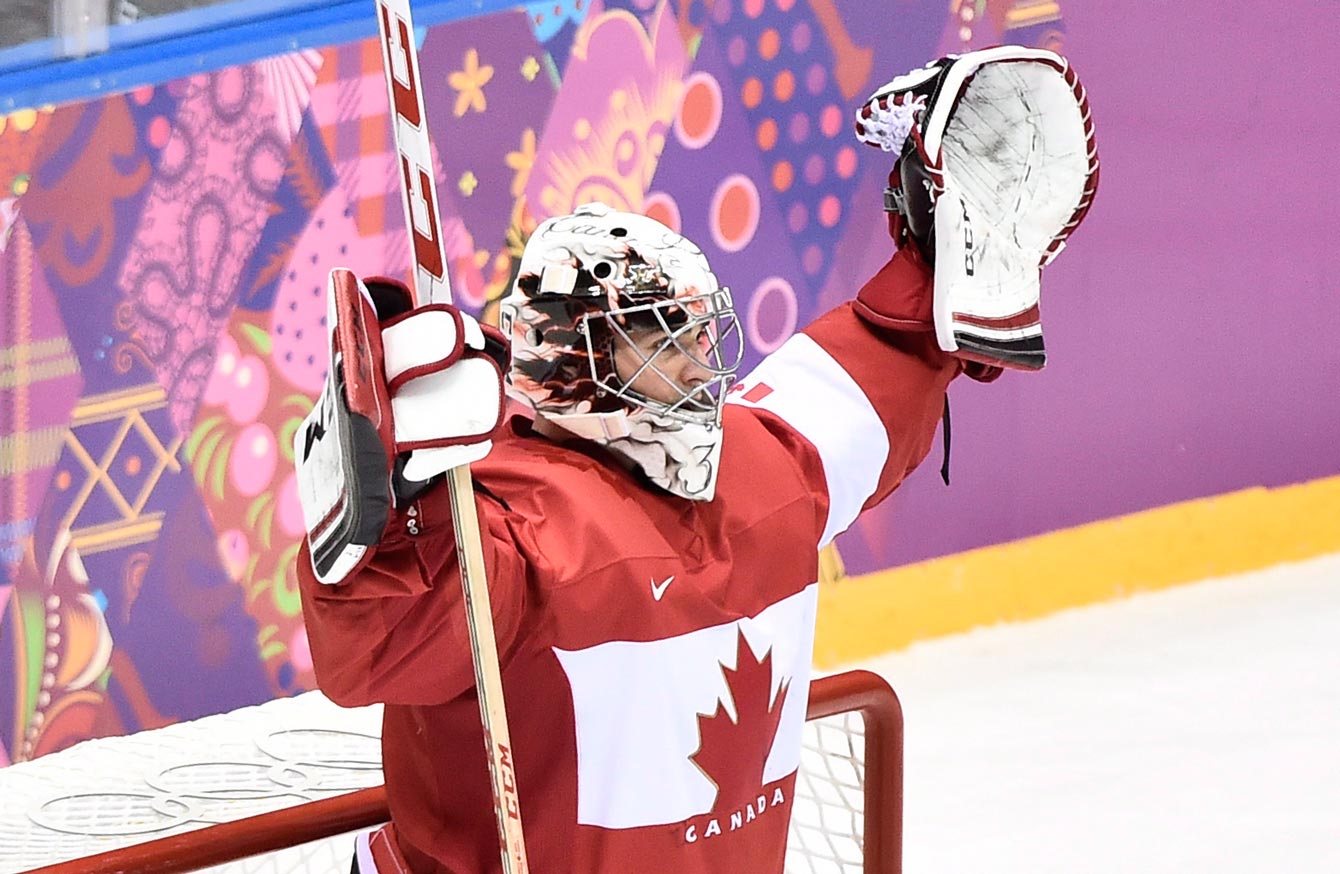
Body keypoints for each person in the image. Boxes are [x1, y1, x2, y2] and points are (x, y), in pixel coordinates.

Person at [294, 46, 1097, 874]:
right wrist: (395, 514)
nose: (700, 361)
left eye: (700, 328)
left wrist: (945, 257)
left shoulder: (767, 463)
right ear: (577, 357)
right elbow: (376, 643)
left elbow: (884, 359)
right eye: (661, 335)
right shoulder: (508, 537)